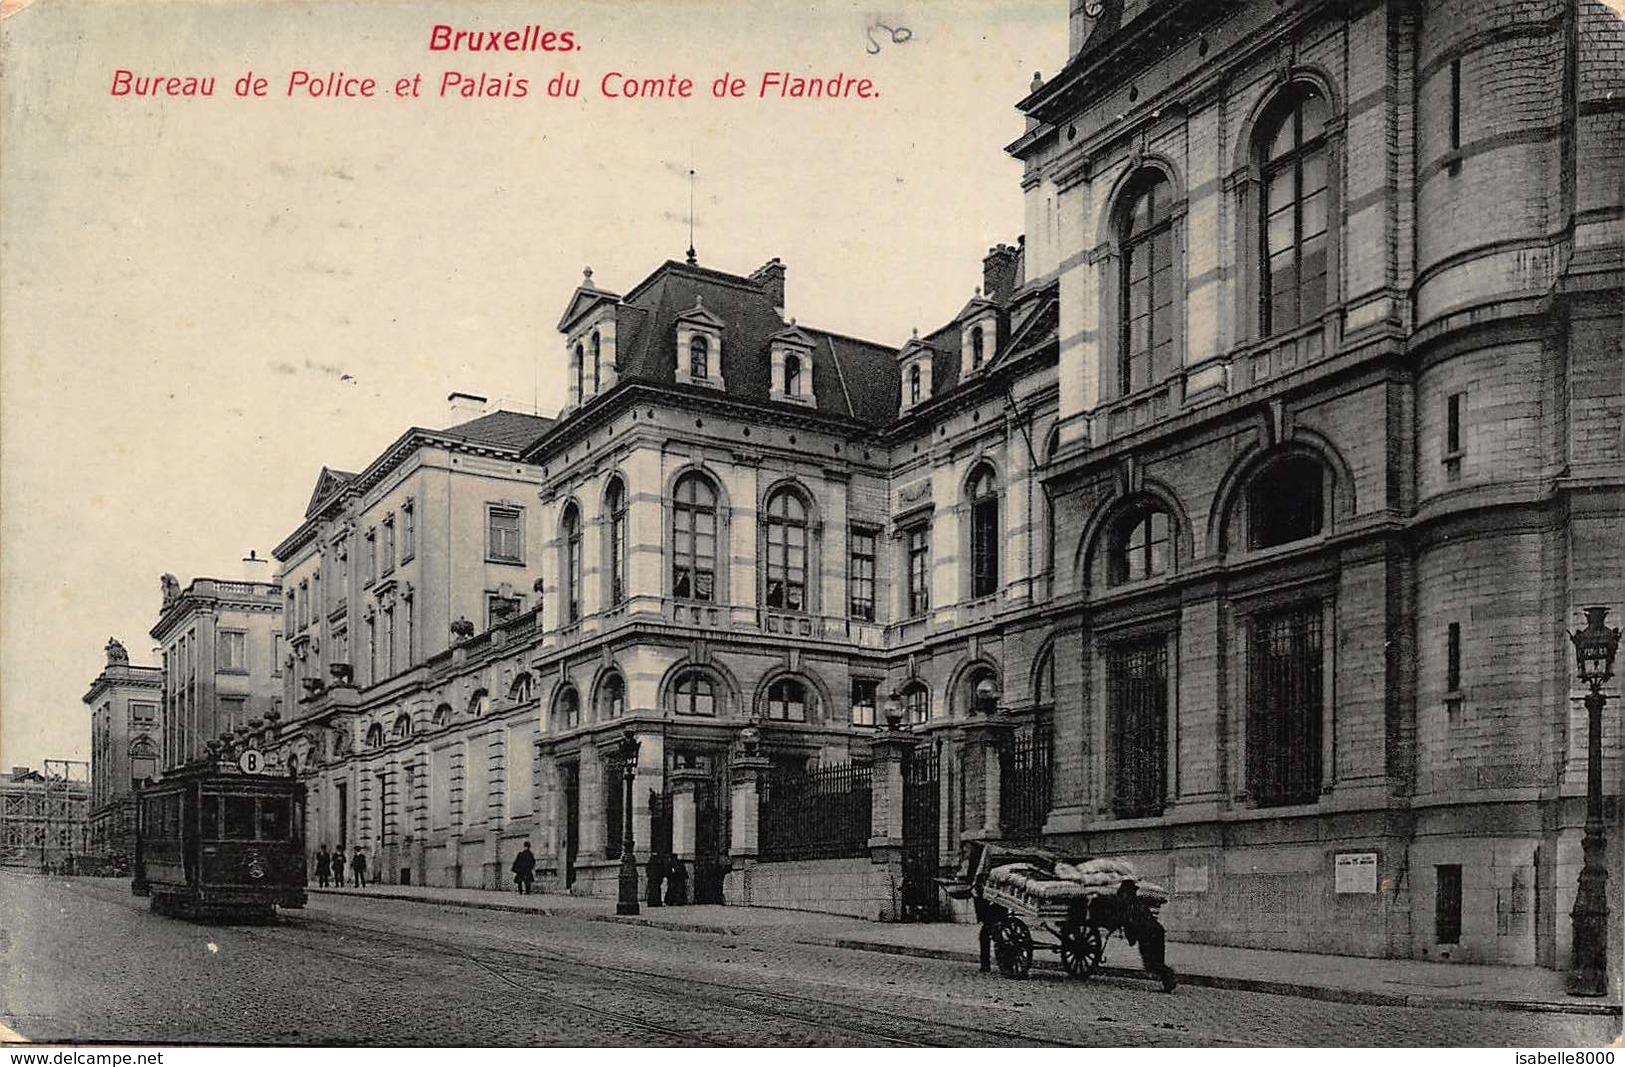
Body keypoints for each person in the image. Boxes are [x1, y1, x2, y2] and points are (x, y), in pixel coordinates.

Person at [1116, 879, 1177, 993]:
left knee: (1151, 962)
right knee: (1156, 960)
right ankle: (1168, 980)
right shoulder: (1137, 902)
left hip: (1148, 934)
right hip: (1156, 931)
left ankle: (1169, 979)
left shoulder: (1129, 905)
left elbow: (1130, 922)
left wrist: (1131, 938)